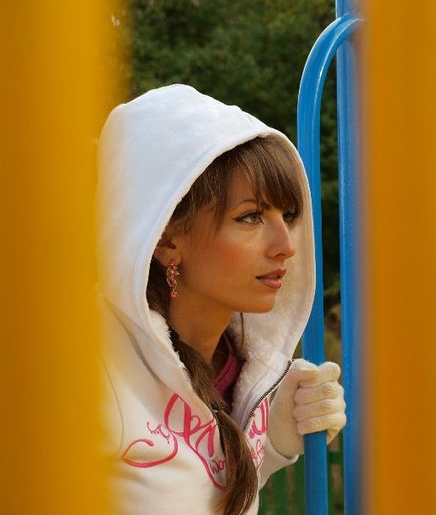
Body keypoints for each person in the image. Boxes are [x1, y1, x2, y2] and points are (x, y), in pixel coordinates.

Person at [97, 84, 346, 515]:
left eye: (288, 216)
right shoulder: (90, 364)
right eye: (250, 217)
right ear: (167, 240)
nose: (286, 246)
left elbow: (183, 492)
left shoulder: (235, 366)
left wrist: (272, 443)